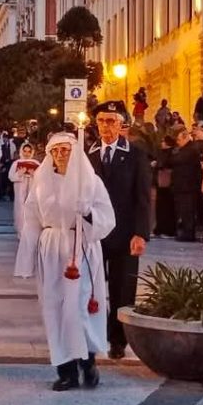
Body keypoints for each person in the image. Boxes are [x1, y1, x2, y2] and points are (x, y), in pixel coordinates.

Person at [15, 132, 116, 392]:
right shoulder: (41, 182)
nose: (60, 154)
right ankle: (66, 370)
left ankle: (88, 361)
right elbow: (32, 219)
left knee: (79, 308)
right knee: (57, 309)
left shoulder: (90, 182)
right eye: (55, 150)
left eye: (65, 149)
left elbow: (107, 219)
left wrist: (88, 213)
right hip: (52, 251)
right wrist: (27, 258)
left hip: (80, 249)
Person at [86, 101, 150, 360]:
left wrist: (141, 233)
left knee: (123, 289)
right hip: (95, 234)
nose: (106, 126)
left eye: (111, 121)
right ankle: (94, 334)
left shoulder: (135, 154)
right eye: (101, 121)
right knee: (92, 287)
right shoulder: (87, 154)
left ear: (121, 123)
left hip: (125, 233)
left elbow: (144, 197)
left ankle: (118, 339)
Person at [166, 127, 202, 242]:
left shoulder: (191, 149)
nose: (177, 142)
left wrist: (174, 154)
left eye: (179, 139)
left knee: (188, 210)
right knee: (182, 210)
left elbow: (175, 160)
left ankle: (189, 233)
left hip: (188, 185)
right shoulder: (183, 149)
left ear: (185, 137)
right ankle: (185, 231)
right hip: (181, 185)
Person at [8, 142, 39, 232]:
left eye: (29, 152)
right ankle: (21, 231)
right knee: (20, 209)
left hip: (32, 189)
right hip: (20, 189)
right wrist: (19, 173)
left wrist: (34, 174)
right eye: (25, 151)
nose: (27, 154)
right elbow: (11, 177)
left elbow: (42, 178)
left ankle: (31, 231)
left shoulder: (36, 162)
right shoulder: (16, 163)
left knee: (32, 209)